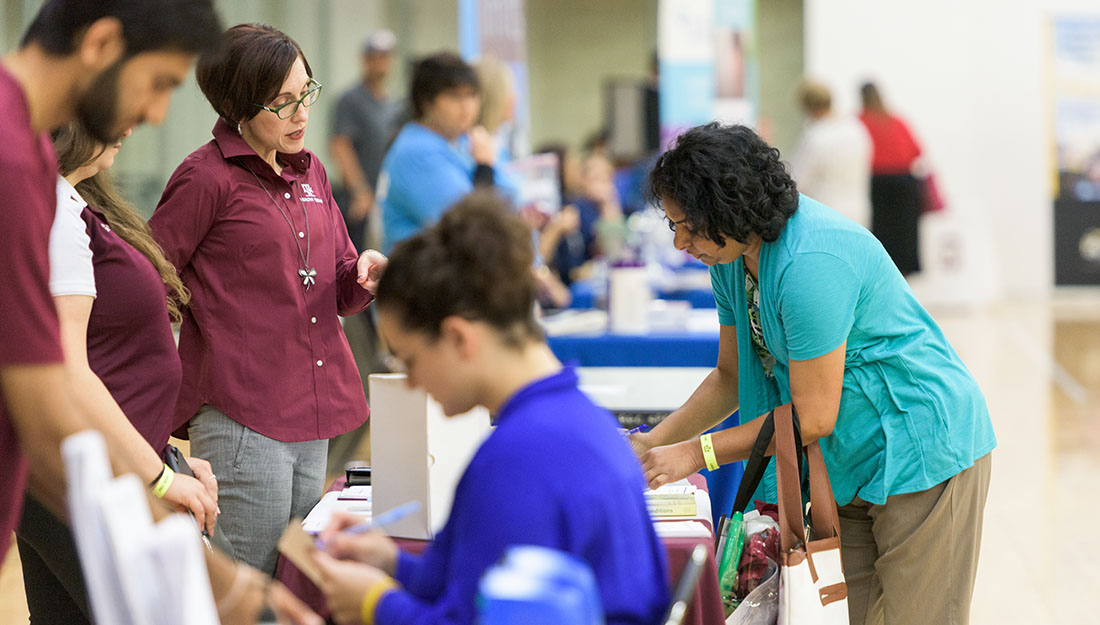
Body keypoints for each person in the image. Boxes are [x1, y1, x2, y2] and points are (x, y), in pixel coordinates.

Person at [631, 123, 996, 625]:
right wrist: (655, 444)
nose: (679, 243)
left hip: (921, 446)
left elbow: (813, 417)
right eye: (674, 225)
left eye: (688, 225)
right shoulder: (730, 258)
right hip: (851, 461)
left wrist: (697, 452)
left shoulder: (810, 261)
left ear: (729, 208)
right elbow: (730, 377)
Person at [311, 191, 670, 625]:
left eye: (409, 360)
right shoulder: (575, 421)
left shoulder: (517, 459)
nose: (412, 383)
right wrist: (391, 563)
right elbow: (477, 583)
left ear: (459, 339)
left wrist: (375, 605)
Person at [149, 23, 387, 576]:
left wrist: (363, 275)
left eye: (307, 92)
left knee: (298, 579)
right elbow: (149, 284)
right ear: (238, 105)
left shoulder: (313, 171)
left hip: (313, 410)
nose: (302, 112)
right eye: (283, 103)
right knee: (249, 584)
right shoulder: (206, 178)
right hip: (241, 419)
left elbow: (338, 280)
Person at [0, 0, 220, 563]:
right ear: (100, 45)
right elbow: (53, 398)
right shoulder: (13, 163)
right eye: (158, 83)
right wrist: (161, 491)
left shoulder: (27, 156)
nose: (157, 113)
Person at [13, 121, 221, 625]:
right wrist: (160, 480)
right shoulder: (55, 214)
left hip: (106, 468)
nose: (132, 123)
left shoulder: (71, 203)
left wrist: (166, 459)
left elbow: (112, 366)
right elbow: (70, 372)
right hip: (90, 478)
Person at [378, 52, 496, 252]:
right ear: (426, 101)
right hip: (427, 278)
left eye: (472, 95)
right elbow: (471, 229)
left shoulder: (457, 143)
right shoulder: (417, 152)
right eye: (454, 96)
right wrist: (484, 167)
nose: (466, 106)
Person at [328, 28, 402, 250]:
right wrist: (360, 191)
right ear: (364, 60)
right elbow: (340, 145)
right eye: (375, 56)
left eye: (386, 56)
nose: (381, 62)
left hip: (386, 200)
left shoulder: (394, 104)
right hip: (361, 203)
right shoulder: (351, 100)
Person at [858, 81, 926, 275]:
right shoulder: (896, 120)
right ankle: (903, 275)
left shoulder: (861, 121)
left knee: (882, 232)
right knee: (904, 235)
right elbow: (916, 151)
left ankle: (883, 274)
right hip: (905, 182)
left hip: (879, 183)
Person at [790, 79, 872, 228]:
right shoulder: (856, 129)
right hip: (857, 210)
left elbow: (798, 181)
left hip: (825, 211)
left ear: (808, 107)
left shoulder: (815, 137)